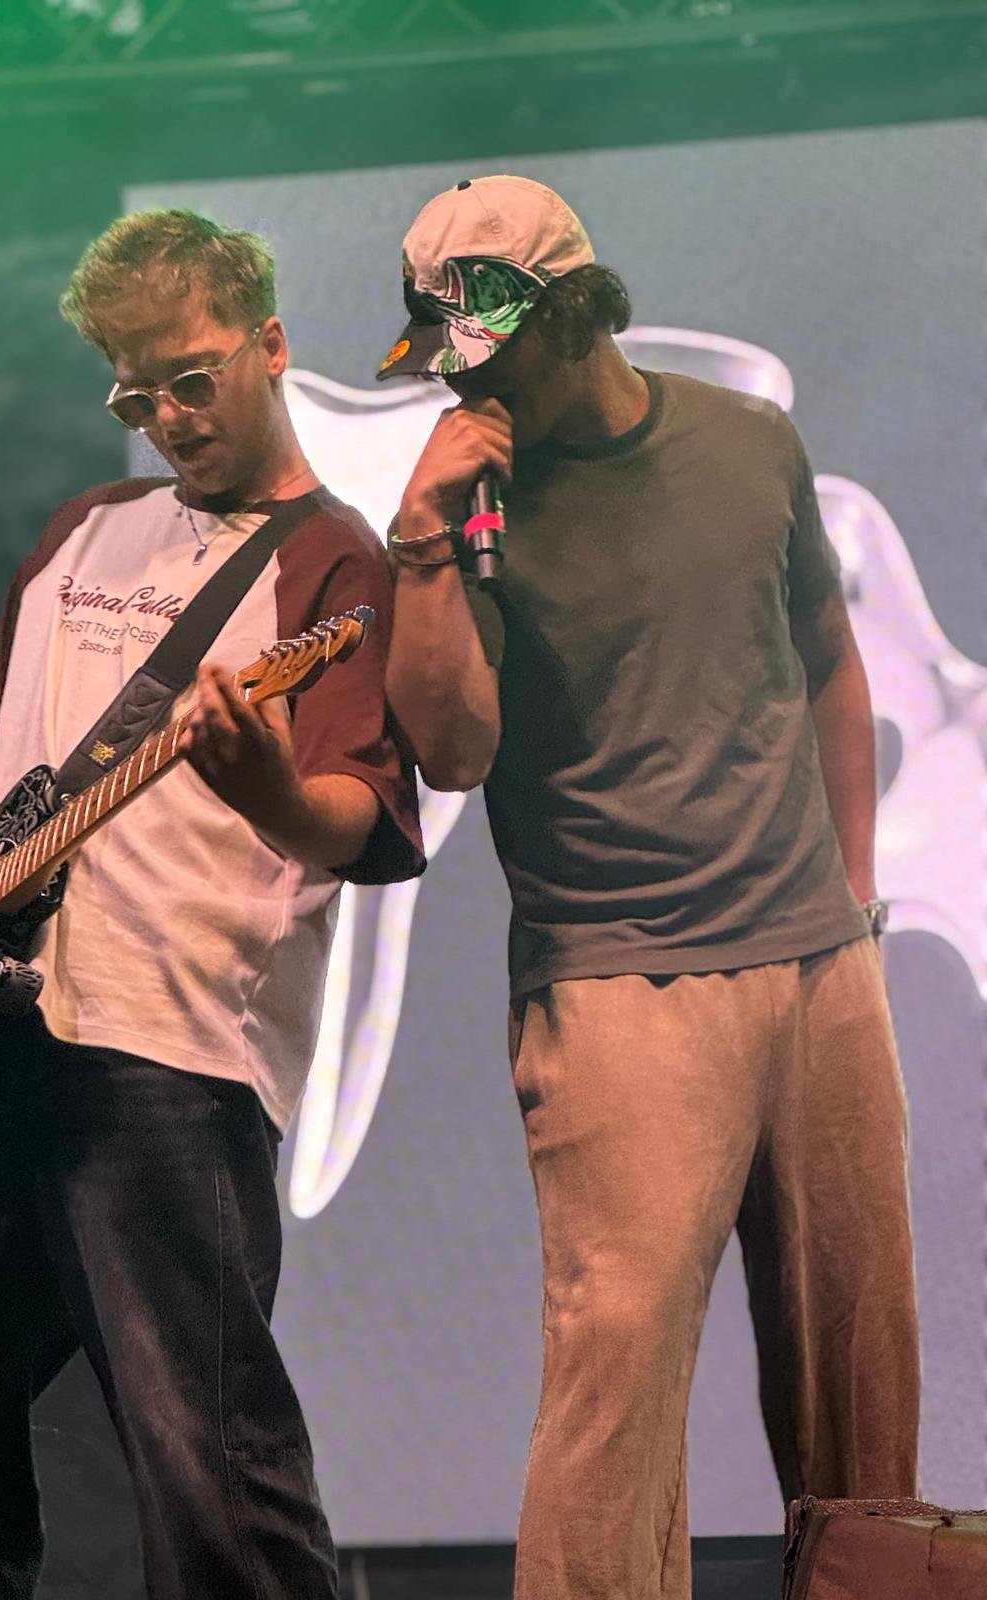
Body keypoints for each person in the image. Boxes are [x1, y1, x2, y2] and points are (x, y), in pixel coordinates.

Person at [0, 208, 424, 1600]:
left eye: (191, 379)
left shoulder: (333, 564)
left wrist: (264, 786)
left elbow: (361, 819)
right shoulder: (87, 527)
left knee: (212, 1475)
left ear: (270, 344)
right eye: (132, 394)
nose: (164, 418)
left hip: (168, 1054)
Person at [379, 174, 918, 1600]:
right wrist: (425, 537)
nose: (465, 384)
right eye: (445, 355)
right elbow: (450, 751)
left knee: (864, 1392)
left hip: (819, 968)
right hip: (619, 986)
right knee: (613, 1386)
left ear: (576, 317)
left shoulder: (749, 442)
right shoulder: (468, 513)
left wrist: (856, 903)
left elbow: (827, 658)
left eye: (488, 352)